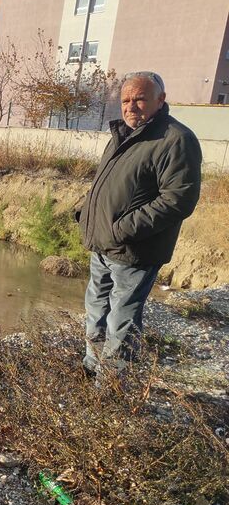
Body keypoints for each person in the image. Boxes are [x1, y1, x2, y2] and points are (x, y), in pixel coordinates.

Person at [76, 71, 201, 374]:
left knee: (122, 321)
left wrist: (122, 229)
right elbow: (108, 185)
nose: (131, 106)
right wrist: (85, 211)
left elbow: (178, 199)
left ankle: (113, 392)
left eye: (140, 99)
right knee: (96, 313)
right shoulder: (124, 135)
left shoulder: (175, 139)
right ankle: (92, 371)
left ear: (161, 100)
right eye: (125, 100)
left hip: (134, 251)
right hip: (103, 244)